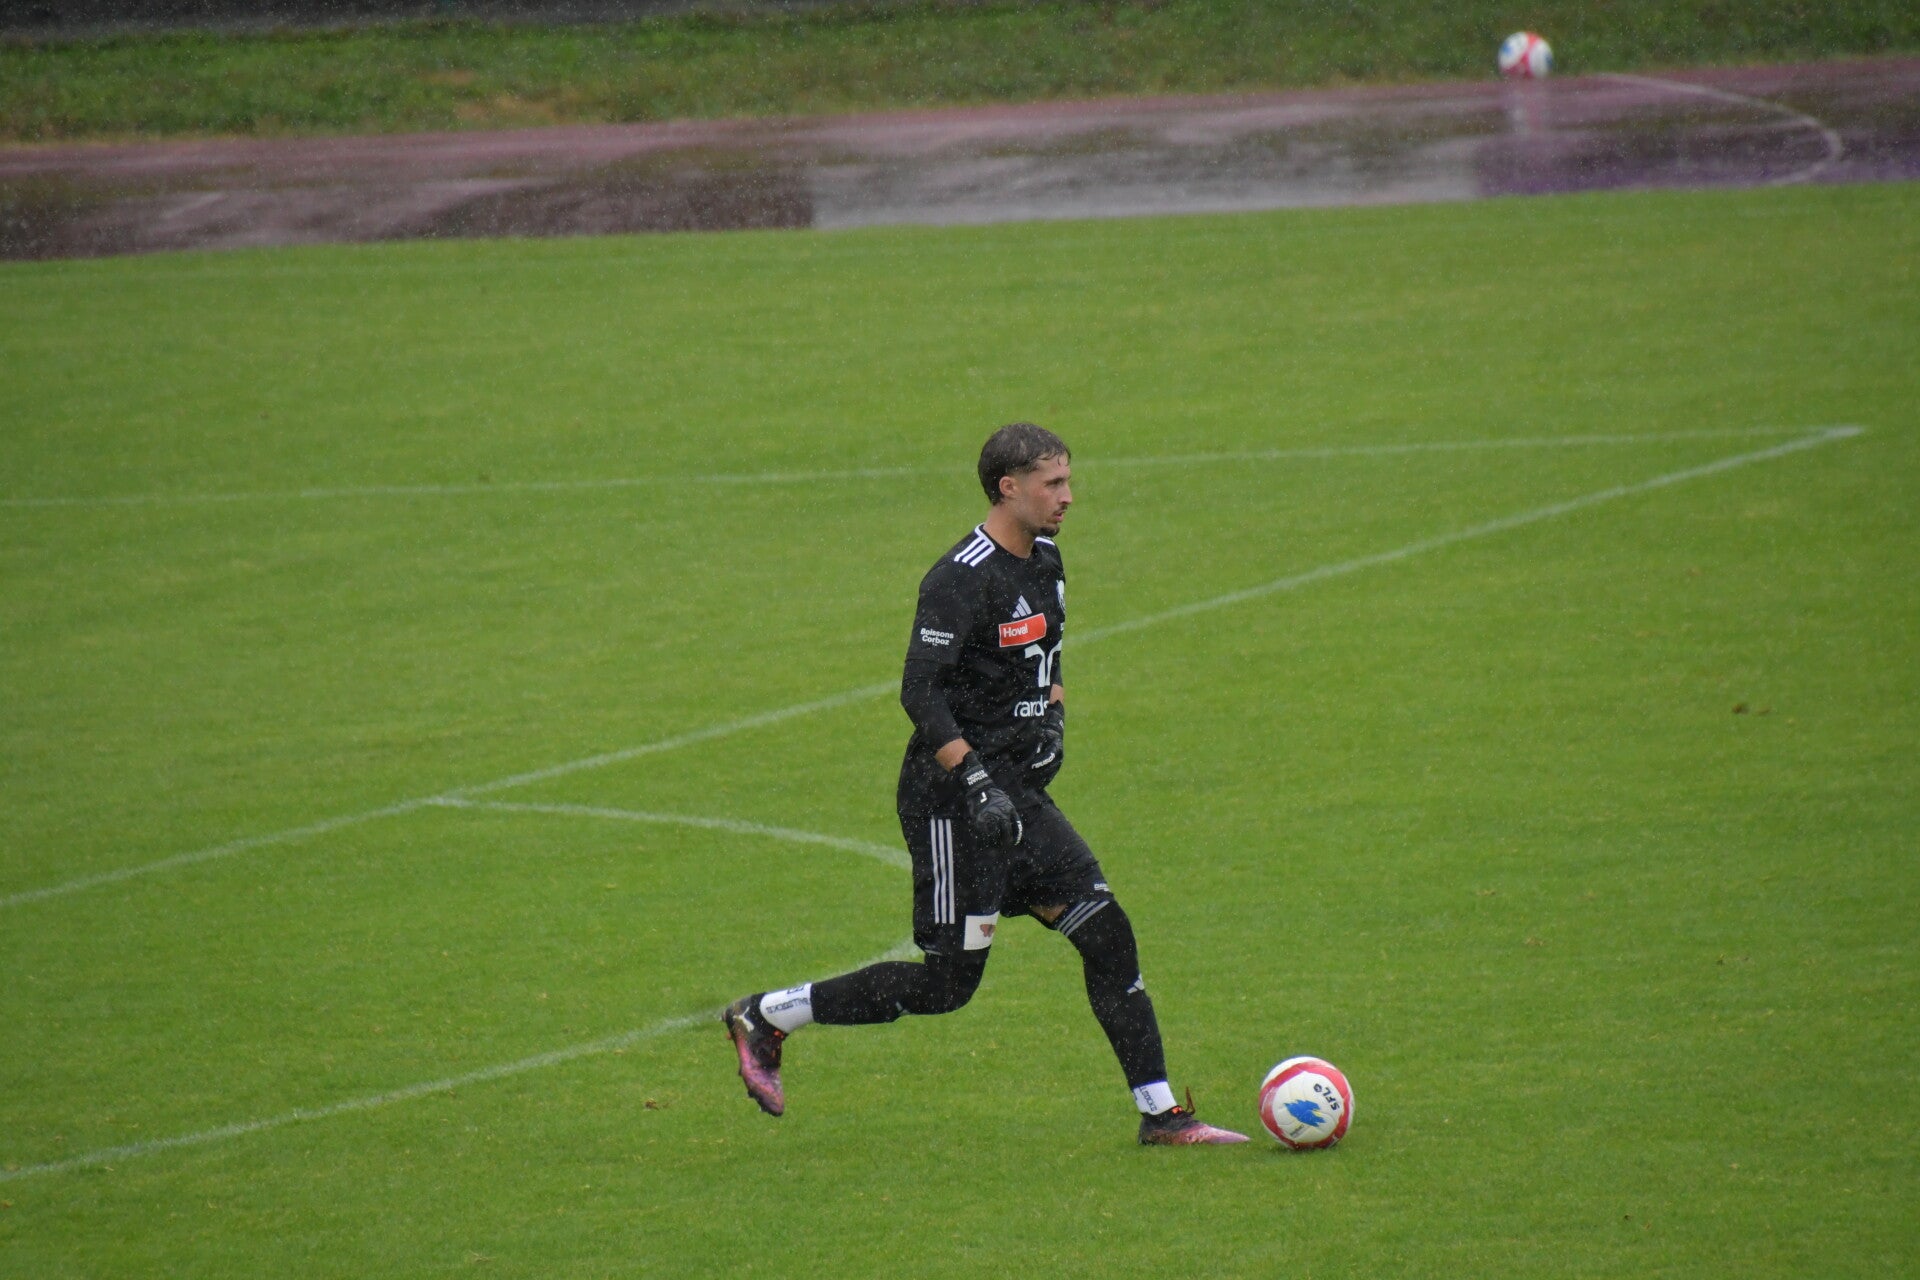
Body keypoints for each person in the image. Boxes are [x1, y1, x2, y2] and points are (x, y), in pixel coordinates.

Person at [723, 423, 1246, 1145]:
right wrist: (974, 781)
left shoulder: (1048, 560)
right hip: (952, 803)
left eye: (1067, 480)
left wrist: (1053, 717)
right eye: (1052, 483)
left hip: (1018, 798)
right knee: (947, 985)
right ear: (1009, 487)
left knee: (1107, 933)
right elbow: (919, 691)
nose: (1068, 496)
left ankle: (1161, 1115)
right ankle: (767, 1015)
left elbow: (1046, 656)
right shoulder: (959, 577)